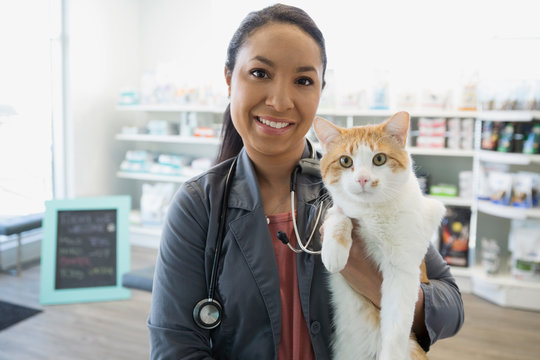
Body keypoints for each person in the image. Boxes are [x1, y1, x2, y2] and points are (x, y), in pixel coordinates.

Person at [148, 4, 464, 359]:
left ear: (320, 91)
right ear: (228, 78)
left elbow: (451, 308)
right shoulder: (198, 205)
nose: (280, 101)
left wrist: (378, 283)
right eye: (259, 72)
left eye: (303, 80)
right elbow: (175, 347)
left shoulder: (358, 192)